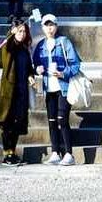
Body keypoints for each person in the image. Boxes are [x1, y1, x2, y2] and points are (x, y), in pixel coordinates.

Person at [31, 13, 81, 166]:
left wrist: (63, 73)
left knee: (62, 119)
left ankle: (69, 154)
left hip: (63, 87)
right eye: (46, 25)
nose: (49, 28)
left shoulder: (64, 42)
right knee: (52, 121)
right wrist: (37, 69)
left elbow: (75, 64)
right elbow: (35, 64)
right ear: (42, 28)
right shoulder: (40, 45)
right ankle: (55, 152)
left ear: (56, 26)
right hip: (48, 88)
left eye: (52, 25)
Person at [0, 17, 35, 166]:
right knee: (6, 123)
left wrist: (30, 76)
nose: (22, 34)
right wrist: (11, 34)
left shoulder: (24, 49)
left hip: (21, 91)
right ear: (13, 31)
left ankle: (13, 152)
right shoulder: (8, 47)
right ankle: (6, 153)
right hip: (9, 92)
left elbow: (29, 68)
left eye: (24, 31)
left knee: (17, 123)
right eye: (19, 31)